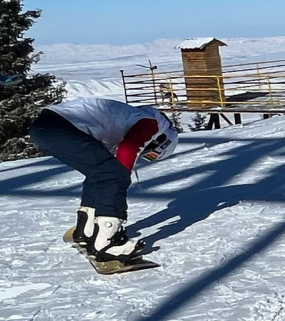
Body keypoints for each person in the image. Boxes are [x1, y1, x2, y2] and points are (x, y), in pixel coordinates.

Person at [27, 97, 180, 272]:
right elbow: (129, 148)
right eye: (149, 154)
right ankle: (107, 245)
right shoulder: (152, 124)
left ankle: (86, 231)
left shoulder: (131, 117)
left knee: (101, 172)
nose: (144, 155)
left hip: (46, 126)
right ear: (161, 141)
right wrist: (122, 178)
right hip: (61, 127)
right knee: (113, 175)